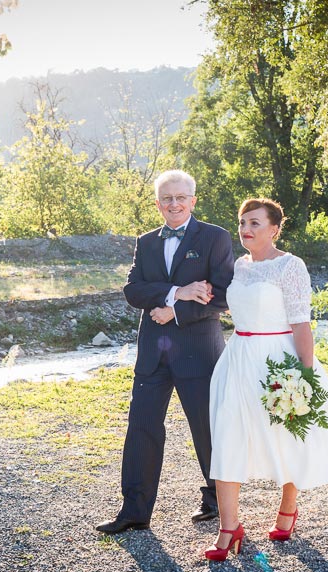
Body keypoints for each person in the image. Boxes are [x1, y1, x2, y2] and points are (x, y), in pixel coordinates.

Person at [203, 198, 328, 561]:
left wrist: (306, 374)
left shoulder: (290, 266)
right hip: (237, 359)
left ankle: (289, 506)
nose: (246, 229)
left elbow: (301, 323)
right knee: (228, 436)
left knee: (289, 434)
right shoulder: (238, 266)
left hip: (278, 360)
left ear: (274, 228)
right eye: (242, 223)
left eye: (254, 223)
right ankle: (229, 528)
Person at [96, 170, 235, 534]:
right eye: (166, 199)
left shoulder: (216, 237)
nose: (174, 204)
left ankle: (217, 499)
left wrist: (176, 310)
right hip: (152, 354)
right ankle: (134, 511)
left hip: (199, 352)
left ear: (193, 199)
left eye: (180, 197)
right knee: (141, 428)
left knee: (206, 430)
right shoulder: (146, 241)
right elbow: (133, 291)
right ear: (158, 204)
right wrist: (178, 292)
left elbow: (222, 295)